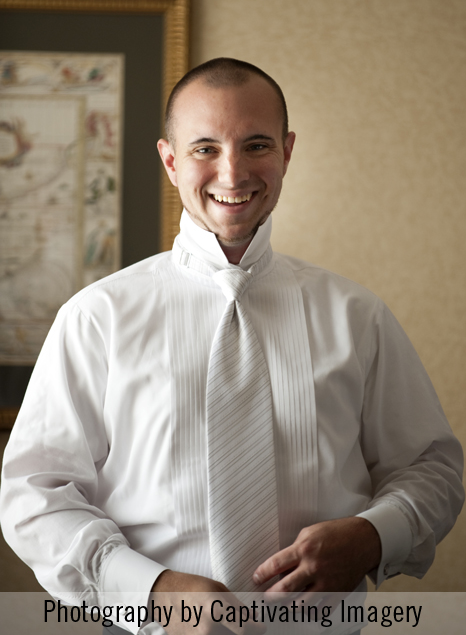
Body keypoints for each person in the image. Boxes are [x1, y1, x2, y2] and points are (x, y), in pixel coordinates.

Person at [0, 58, 464, 635]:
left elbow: (433, 469)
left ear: (288, 152)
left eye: (257, 144)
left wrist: (374, 536)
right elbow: (35, 494)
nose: (232, 171)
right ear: (170, 160)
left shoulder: (357, 315)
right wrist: (150, 591)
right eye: (204, 149)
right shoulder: (96, 318)